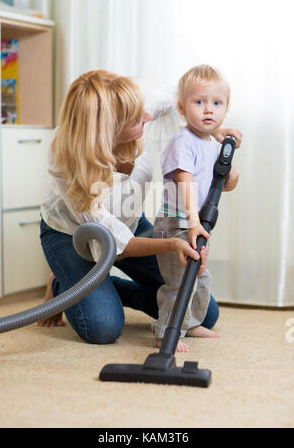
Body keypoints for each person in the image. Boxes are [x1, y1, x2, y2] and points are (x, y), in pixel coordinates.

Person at [39, 69, 242, 348]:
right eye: (136, 118)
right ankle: (64, 284)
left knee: (202, 313)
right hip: (73, 236)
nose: (146, 116)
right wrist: (172, 244)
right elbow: (112, 237)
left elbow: (182, 96)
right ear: (107, 131)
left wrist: (209, 126)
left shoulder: (137, 109)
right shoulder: (68, 164)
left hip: (131, 222)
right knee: (103, 327)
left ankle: (107, 289)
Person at [152, 65, 240, 352]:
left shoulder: (212, 144)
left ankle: (190, 323)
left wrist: (232, 172)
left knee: (201, 277)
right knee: (179, 281)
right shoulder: (183, 141)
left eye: (216, 103)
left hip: (198, 223)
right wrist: (192, 222)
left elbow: (221, 183)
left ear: (226, 109)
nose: (208, 110)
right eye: (199, 102)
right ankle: (166, 331)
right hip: (177, 223)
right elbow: (186, 183)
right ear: (181, 107)